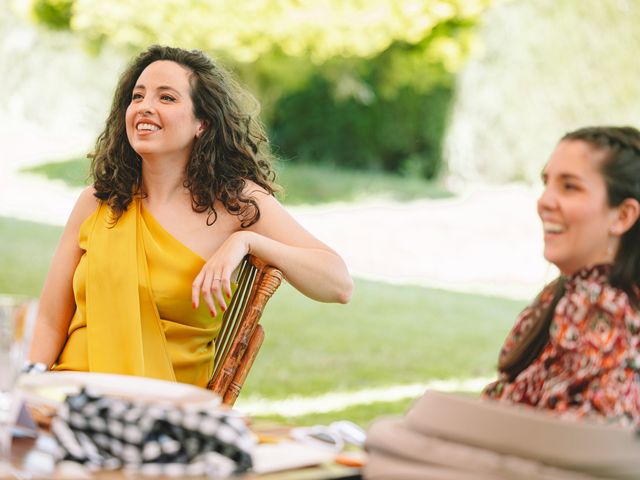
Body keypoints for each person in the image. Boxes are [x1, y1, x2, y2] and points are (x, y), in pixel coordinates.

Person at [28, 45, 353, 387]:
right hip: (69, 394)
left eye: (166, 98)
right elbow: (50, 321)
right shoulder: (98, 201)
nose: (145, 108)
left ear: (203, 122)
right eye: (137, 97)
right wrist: (25, 389)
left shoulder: (235, 202)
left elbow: (338, 283)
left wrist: (247, 240)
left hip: (163, 411)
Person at [483, 126, 640, 425]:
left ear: (623, 216)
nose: (544, 201)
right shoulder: (560, 296)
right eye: (547, 183)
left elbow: (579, 446)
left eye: (569, 187)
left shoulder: (604, 307)